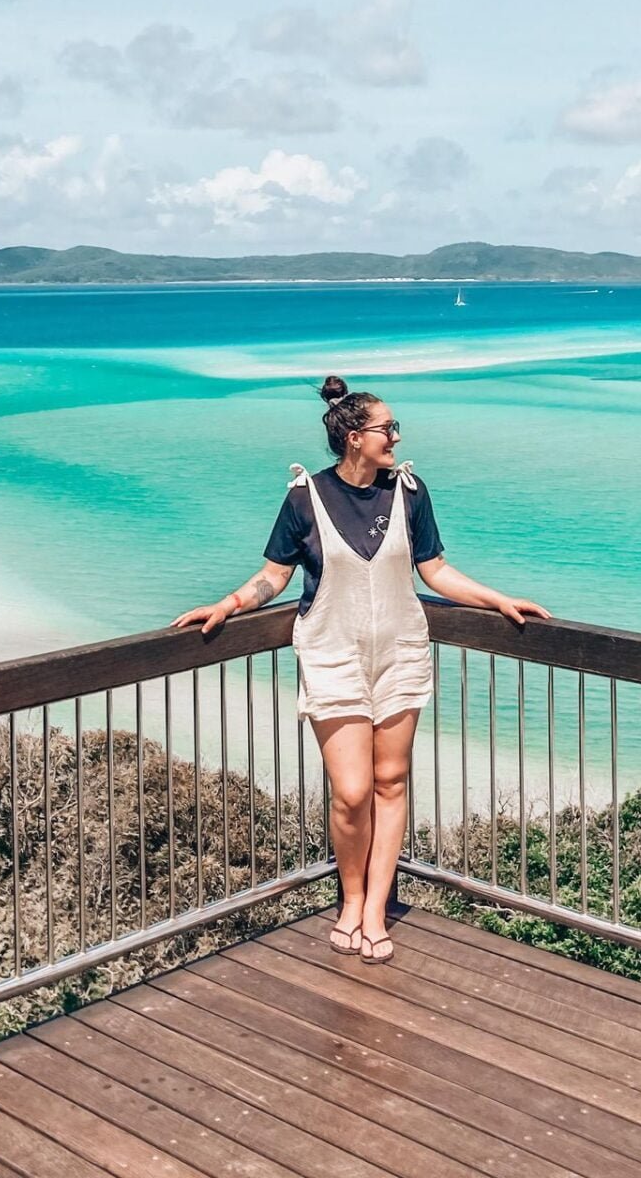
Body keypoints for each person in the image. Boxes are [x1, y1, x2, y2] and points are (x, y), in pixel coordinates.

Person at [172, 374, 549, 963]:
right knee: (351, 793)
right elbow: (275, 574)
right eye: (387, 428)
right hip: (331, 652)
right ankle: (351, 898)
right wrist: (229, 604)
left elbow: (436, 570)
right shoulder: (305, 498)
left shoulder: (411, 492)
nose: (395, 437)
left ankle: (374, 909)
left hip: (400, 651)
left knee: (390, 782)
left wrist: (497, 598)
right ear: (353, 437)